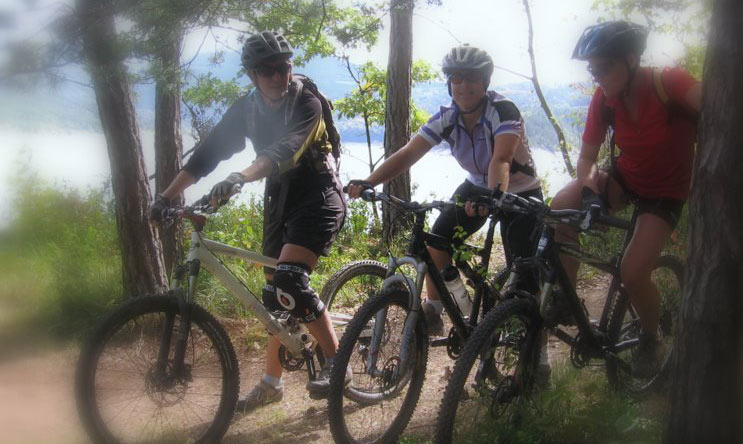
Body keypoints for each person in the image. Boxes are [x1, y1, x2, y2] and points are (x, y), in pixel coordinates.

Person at [150, 30, 347, 409]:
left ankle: (337, 364)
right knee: (276, 299)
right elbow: (206, 155)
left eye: (283, 67)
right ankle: (272, 384)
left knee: (289, 281)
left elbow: (285, 150)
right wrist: (165, 197)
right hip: (280, 198)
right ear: (251, 75)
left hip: (319, 194)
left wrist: (241, 176)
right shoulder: (247, 108)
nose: (277, 76)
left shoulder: (308, 101)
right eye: (266, 70)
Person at [347, 45, 545, 359]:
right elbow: (408, 153)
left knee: (523, 276)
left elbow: (502, 159)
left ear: (485, 82)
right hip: (476, 186)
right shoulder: (447, 117)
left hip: (520, 193)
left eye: (471, 79)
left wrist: (493, 198)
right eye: (456, 79)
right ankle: (437, 309)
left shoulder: (503, 111)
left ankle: (538, 356)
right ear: (449, 83)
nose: (463, 86)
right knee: (436, 241)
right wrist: (370, 181)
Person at [552, 20, 701, 377]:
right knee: (561, 204)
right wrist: (588, 191)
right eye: (593, 70)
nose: (598, 77)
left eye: (604, 68)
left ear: (632, 60)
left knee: (633, 272)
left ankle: (651, 338)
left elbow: (724, 110)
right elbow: (587, 159)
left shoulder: (670, 83)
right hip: (627, 177)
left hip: (667, 191)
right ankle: (568, 299)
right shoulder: (604, 99)